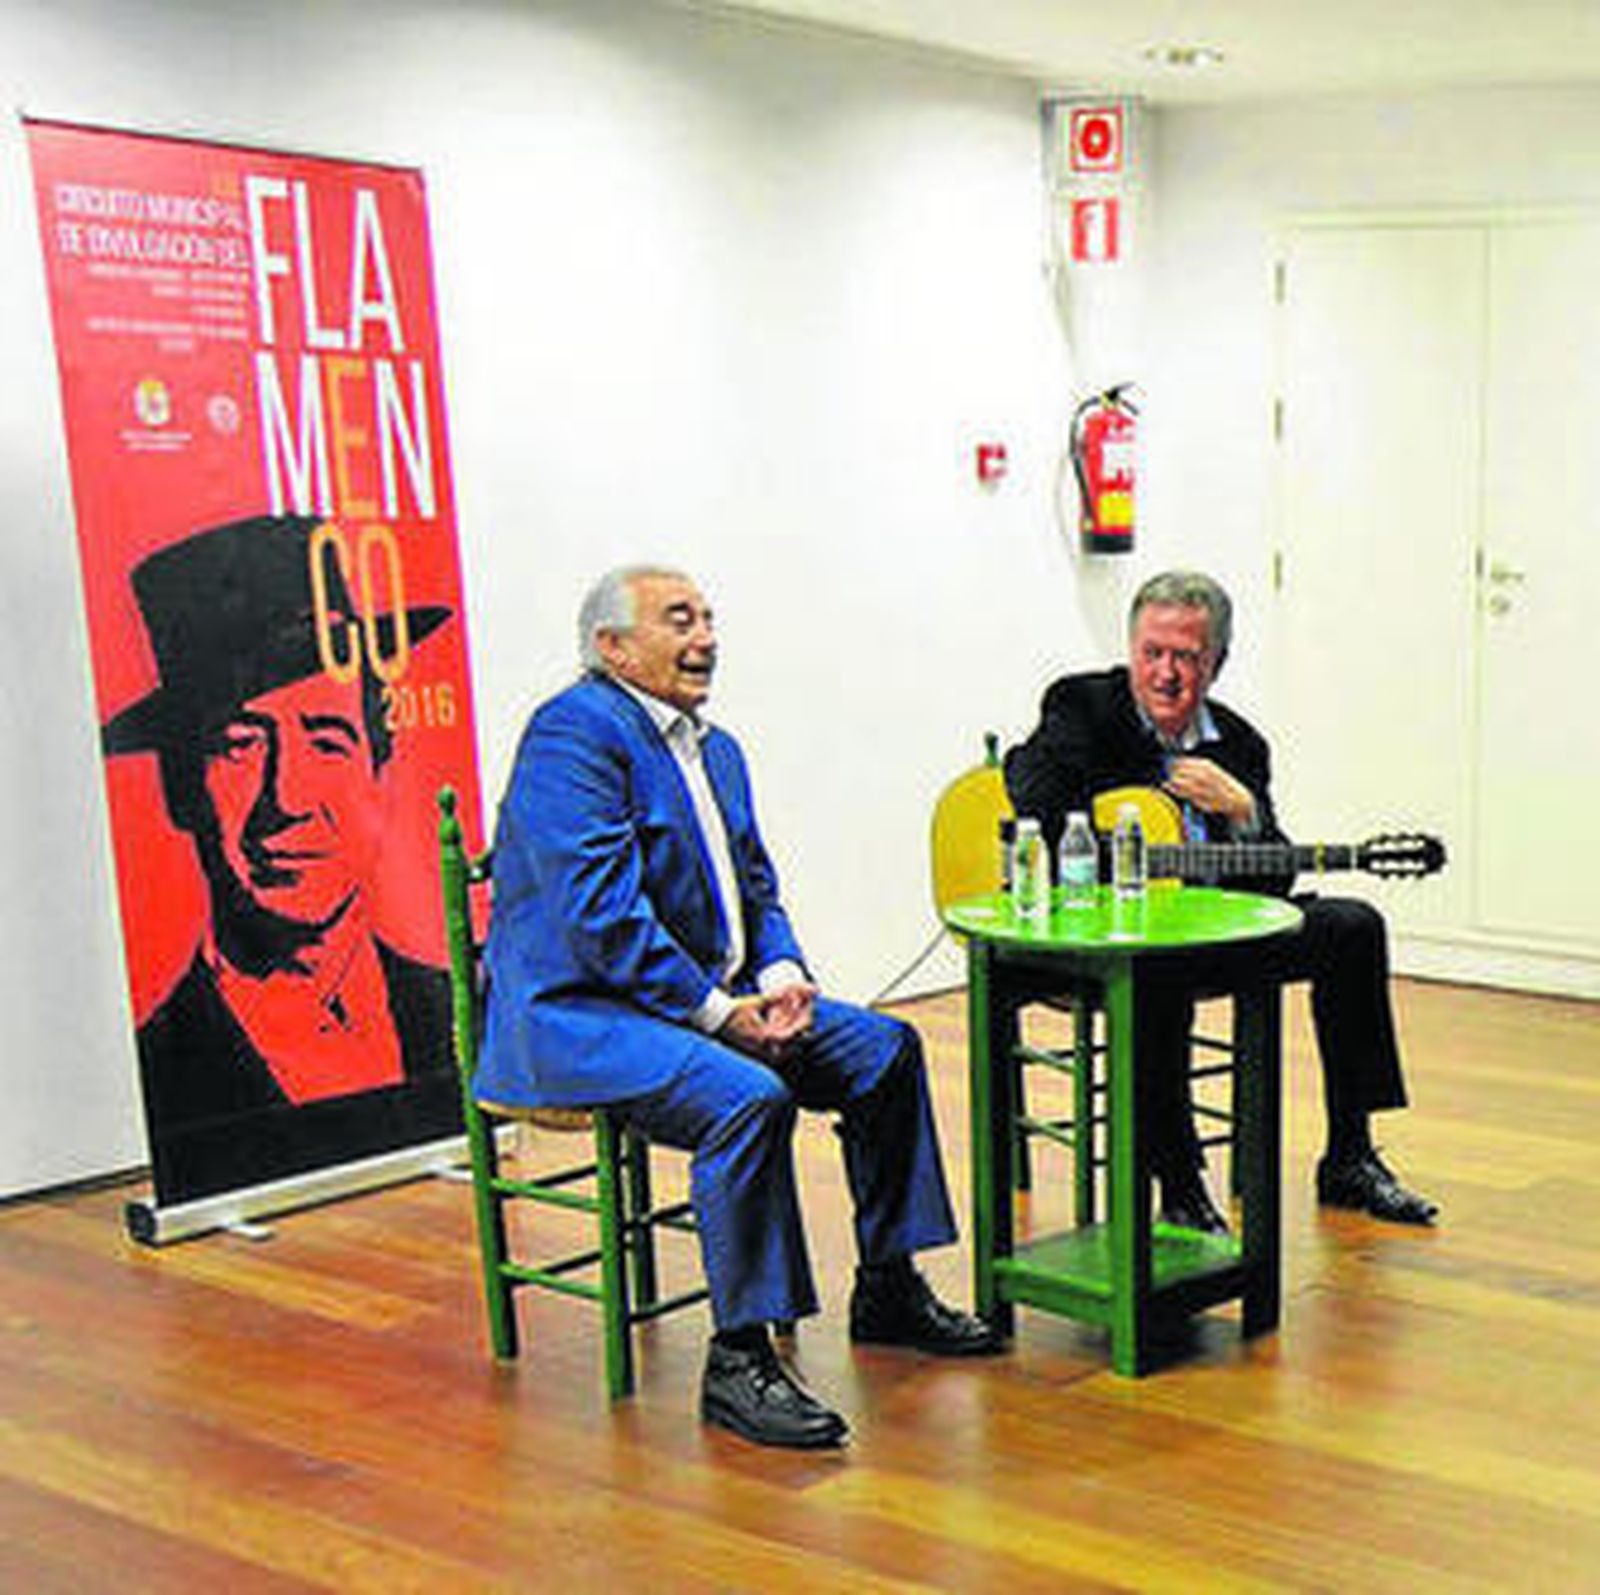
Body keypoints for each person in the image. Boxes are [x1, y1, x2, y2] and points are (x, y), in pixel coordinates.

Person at [476, 564, 1001, 1450]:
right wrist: (722, 1014)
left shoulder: (714, 748)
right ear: (612, 647)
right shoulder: (573, 733)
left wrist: (782, 972)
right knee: (747, 1098)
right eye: (679, 620)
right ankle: (739, 1359)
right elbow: (601, 919)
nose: (706, 638)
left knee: (885, 1049)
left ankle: (888, 1284)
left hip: (692, 1000)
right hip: (578, 1015)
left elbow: (756, 887)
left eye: (709, 618)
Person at [1004, 569, 1438, 1232]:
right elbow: (1029, 786)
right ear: (1131, 650)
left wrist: (1244, 811)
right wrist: (1122, 830)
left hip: (1217, 932)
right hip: (1117, 940)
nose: (1166, 674)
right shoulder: (1083, 705)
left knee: (1353, 927)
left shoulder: (1240, 743)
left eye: (1186, 657)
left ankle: (1350, 1155)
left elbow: (1272, 884)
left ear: (1218, 662)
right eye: (1152, 652)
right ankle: (1179, 1185)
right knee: (1159, 969)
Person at [103, 514, 456, 1199]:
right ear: (181, 788)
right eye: (240, 745)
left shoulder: (457, 1013)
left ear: (380, 772)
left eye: (327, 740)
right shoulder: (171, 1068)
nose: (287, 798)